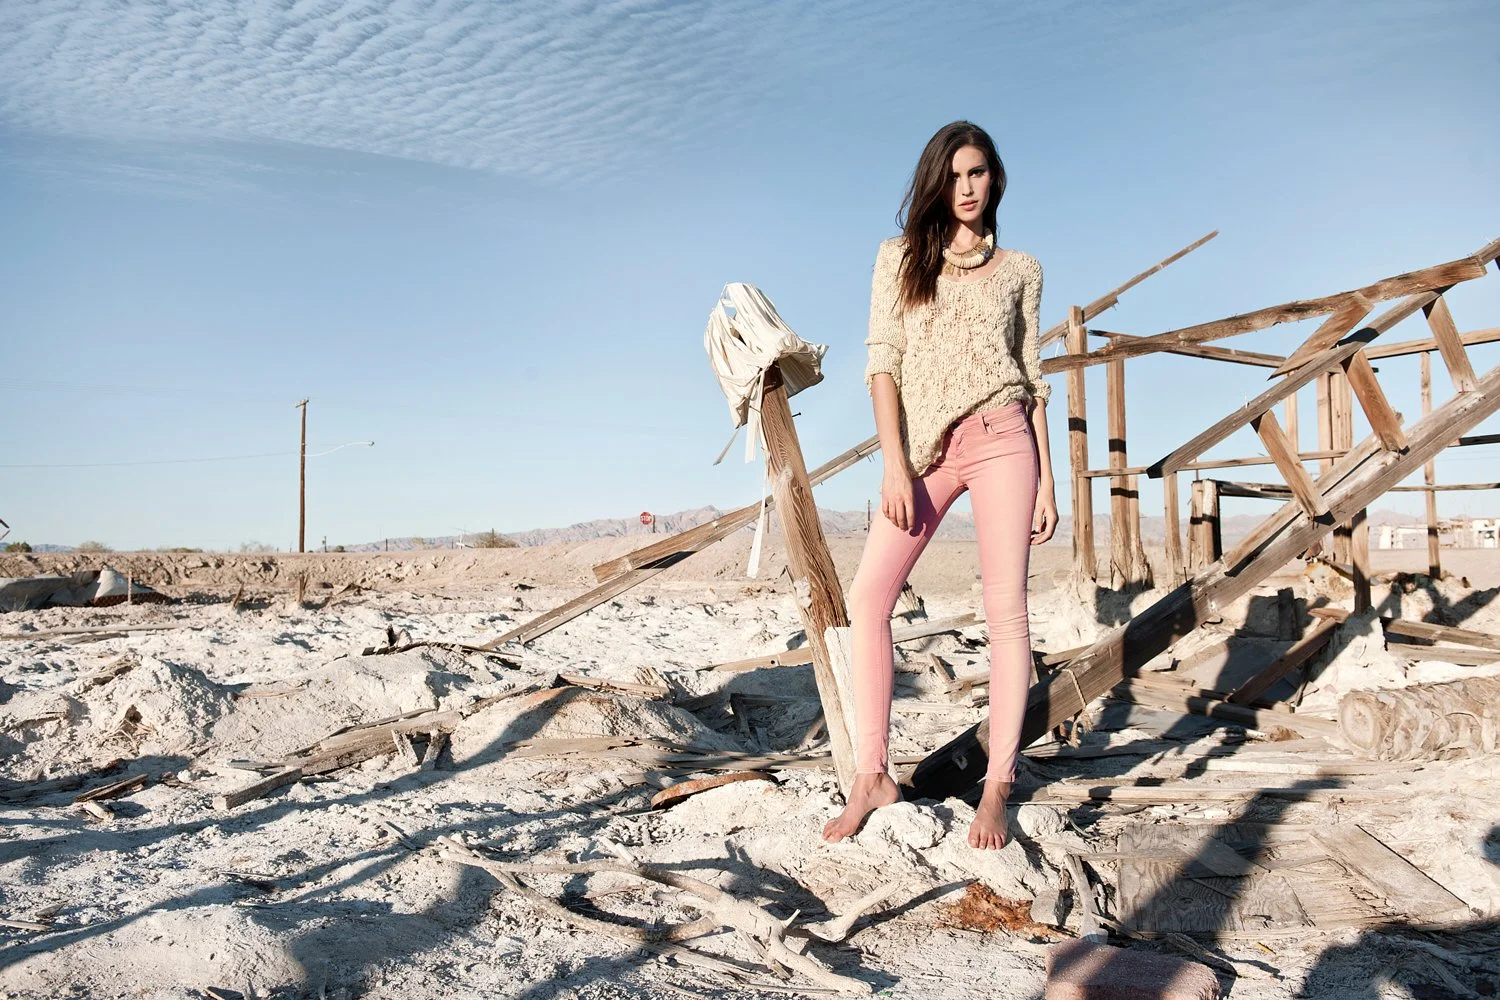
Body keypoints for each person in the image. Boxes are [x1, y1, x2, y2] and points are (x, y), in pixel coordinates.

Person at [822, 121, 1058, 850]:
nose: (966, 187)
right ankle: (872, 775)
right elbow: (882, 364)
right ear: (935, 182)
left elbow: (1032, 379)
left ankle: (997, 788)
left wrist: (1048, 482)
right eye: (953, 175)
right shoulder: (899, 259)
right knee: (868, 597)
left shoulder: (1022, 270)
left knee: (1005, 612)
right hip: (925, 455)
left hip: (1005, 441)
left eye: (978, 172)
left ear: (995, 179)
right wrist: (894, 464)